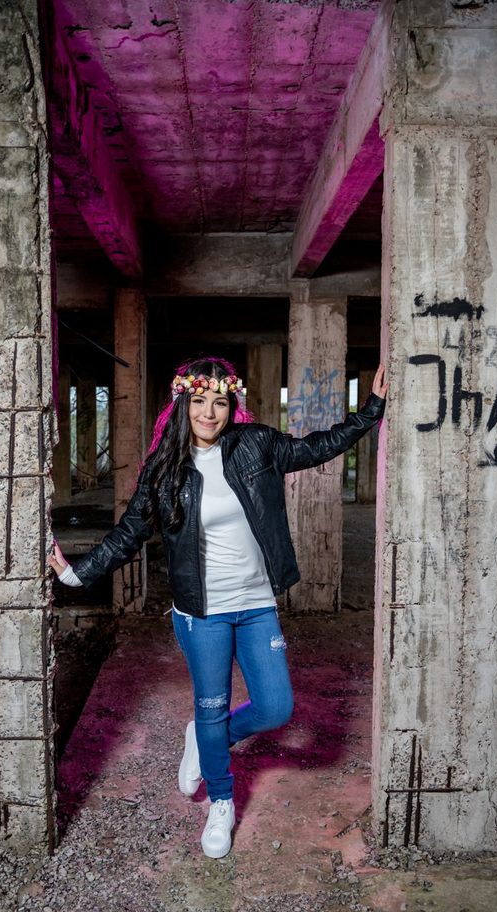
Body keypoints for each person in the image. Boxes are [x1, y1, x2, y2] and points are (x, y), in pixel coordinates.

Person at [48, 357, 387, 859]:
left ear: (233, 407)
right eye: (200, 401)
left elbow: (319, 446)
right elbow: (129, 533)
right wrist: (76, 573)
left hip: (256, 604)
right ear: (182, 404)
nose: (209, 413)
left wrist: (373, 407)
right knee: (211, 703)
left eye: (220, 403)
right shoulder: (164, 469)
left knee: (275, 707)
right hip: (201, 612)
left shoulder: (256, 444)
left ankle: (205, 739)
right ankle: (221, 800)